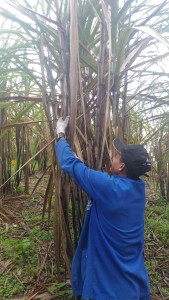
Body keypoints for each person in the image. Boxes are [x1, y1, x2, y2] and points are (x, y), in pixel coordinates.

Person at [55, 116, 152, 300]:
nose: (113, 157)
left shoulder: (107, 187)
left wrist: (60, 133)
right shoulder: (138, 190)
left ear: (122, 165)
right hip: (134, 283)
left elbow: (70, 164)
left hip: (109, 290)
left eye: (117, 156)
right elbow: (92, 178)